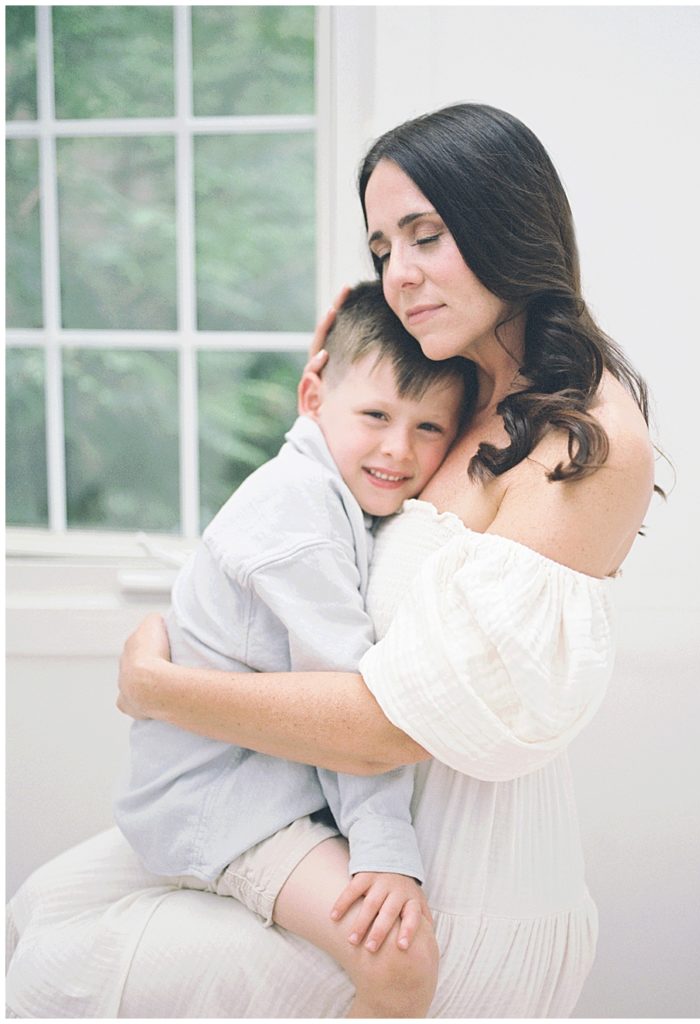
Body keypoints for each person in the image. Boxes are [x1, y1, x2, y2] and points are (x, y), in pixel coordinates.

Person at [6, 103, 657, 1019]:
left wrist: (158, 688)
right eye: (383, 248)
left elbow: (391, 724)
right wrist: (331, 398)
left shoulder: (582, 439)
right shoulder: (457, 388)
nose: (399, 274)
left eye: (425, 235)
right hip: (334, 813)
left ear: (508, 221)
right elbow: (321, 529)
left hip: (446, 884)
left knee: (55, 975)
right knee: (41, 904)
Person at [113, 281, 476, 1019]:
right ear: (313, 395)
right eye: (375, 415)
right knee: (400, 960)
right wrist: (385, 856)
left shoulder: (330, 488)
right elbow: (347, 702)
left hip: (263, 784)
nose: (397, 448)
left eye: (429, 427)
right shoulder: (299, 507)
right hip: (222, 803)